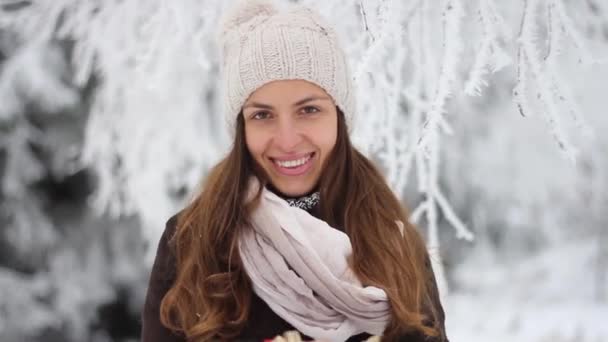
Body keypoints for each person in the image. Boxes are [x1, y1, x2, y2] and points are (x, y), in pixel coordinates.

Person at [142, 0, 449, 341]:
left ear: (339, 116)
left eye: (309, 110)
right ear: (242, 128)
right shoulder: (190, 242)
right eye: (262, 115)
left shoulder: (392, 241)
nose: (287, 141)